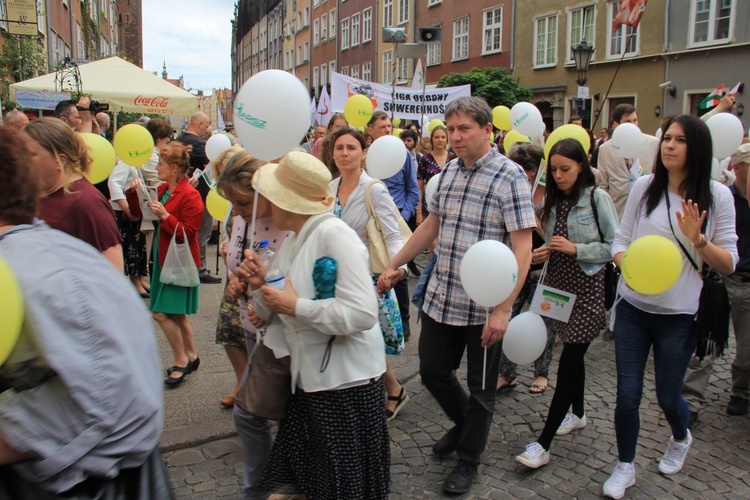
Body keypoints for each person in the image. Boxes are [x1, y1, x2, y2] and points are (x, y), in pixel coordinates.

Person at [378, 96, 536, 495]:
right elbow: (430, 226)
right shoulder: (446, 173)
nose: (456, 136)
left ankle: (468, 458)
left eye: (464, 128)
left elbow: (522, 248)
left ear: (488, 130)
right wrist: (396, 263)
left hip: (486, 304)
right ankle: (466, 427)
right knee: (432, 370)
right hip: (443, 294)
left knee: (482, 389)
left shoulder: (510, 176)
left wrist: (504, 309)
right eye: (451, 129)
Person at [0, 126, 167, 497]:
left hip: (83, 466)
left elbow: (110, 274)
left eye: (35, 152)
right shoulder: (42, 214)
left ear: (59, 156)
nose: (29, 163)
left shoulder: (85, 202)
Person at [237, 151, 390, 499]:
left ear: (285, 201)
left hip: (345, 386)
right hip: (314, 382)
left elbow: (363, 313)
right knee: (318, 482)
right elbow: (281, 297)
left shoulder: (334, 235)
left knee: (342, 487)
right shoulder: (295, 239)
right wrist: (262, 284)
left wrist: (297, 306)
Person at [602, 115, 738, 499]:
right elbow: (620, 240)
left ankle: (680, 436)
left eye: (679, 140)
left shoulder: (717, 197)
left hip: (679, 315)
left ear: (697, 147)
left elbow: (728, 262)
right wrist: (625, 263)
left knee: (667, 395)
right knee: (628, 394)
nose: (669, 145)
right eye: (666, 138)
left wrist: (698, 241)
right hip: (632, 307)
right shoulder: (645, 187)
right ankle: (624, 466)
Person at [514, 138, 618, 469]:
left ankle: (543, 444)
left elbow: (614, 246)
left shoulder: (597, 198)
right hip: (558, 287)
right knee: (574, 354)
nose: (558, 176)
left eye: (566, 169)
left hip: (587, 287)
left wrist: (577, 249)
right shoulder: (555, 200)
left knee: (570, 358)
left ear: (582, 167)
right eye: (554, 169)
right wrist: (548, 250)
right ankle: (580, 413)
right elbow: (553, 237)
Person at [217, 150, 290, 499]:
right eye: (232, 203)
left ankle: (260, 488)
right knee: (260, 412)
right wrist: (237, 282)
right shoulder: (243, 215)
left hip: (283, 334)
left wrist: (263, 291)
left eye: (243, 203)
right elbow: (240, 263)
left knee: (251, 413)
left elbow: (299, 279)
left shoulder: (289, 219)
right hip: (251, 327)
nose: (237, 211)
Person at [329, 128, 410, 420]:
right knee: (352, 340)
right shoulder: (329, 187)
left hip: (367, 278)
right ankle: (384, 391)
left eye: (352, 148)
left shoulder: (373, 188)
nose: (345, 153)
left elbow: (392, 235)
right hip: (334, 278)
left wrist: (396, 268)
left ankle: (392, 389)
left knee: (365, 340)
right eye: (339, 148)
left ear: (364, 153)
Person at [682, 142, 750, 421]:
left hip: (748, 282)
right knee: (704, 346)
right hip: (717, 280)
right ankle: (690, 401)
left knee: (746, 349)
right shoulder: (721, 197)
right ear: (741, 167)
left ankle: (741, 391)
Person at [141, 141, 204, 387]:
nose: (157, 168)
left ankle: (181, 360)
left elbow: (188, 232)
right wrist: (137, 195)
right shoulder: (163, 190)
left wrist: (165, 216)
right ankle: (191, 355)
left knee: (159, 313)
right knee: (176, 314)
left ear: (175, 168)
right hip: (164, 257)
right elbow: (146, 214)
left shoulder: (191, 195)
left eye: (161, 164)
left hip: (178, 261)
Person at [23, 117, 123, 270]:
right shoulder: (33, 193)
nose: (22, 161)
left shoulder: (87, 203)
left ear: (60, 160)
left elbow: (113, 273)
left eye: (30, 155)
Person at [496, 143, 556, 395]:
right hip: (516, 264)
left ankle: (541, 373)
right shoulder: (508, 189)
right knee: (507, 316)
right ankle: (506, 373)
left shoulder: (552, 194)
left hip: (546, 268)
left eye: (524, 169)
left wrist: (536, 220)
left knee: (545, 321)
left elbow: (555, 234)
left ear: (533, 171)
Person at [367, 111, 420, 340]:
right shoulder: (365, 155)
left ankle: (405, 322)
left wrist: (405, 215)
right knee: (377, 268)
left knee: (399, 271)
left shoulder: (402, 154)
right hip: (372, 222)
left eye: (389, 126)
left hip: (396, 220)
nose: (388, 130)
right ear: (370, 130)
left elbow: (413, 188)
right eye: (382, 127)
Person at [212, 145, 257, 409]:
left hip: (250, 281)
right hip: (235, 279)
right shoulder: (234, 203)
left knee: (245, 333)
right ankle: (243, 382)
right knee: (230, 332)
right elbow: (232, 234)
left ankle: (249, 387)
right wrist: (226, 246)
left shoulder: (250, 200)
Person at [178, 111, 222, 284]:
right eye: (206, 125)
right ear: (198, 124)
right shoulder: (198, 143)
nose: (207, 128)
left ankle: (191, 266)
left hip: (185, 193)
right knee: (201, 234)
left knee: (189, 232)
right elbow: (213, 166)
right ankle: (200, 268)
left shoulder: (180, 140)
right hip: (201, 195)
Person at [597, 103, 660, 219]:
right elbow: (603, 184)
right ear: (616, 124)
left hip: (645, 208)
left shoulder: (653, 143)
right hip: (618, 211)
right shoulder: (605, 149)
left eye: (635, 120)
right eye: (628, 121)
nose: (633, 125)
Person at [108, 158, 150, 298]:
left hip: (134, 209)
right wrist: (127, 209)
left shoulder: (133, 162)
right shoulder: (125, 162)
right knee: (131, 246)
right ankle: (134, 281)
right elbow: (114, 183)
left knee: (138, 245)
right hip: (125, 212)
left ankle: (139, 279)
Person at [416, 124, 455, 226]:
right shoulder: (425, 159)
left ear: (447, 139)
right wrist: (419, 212)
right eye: (437, 137)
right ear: (432, 139)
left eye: (443, 137)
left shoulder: (453, 158)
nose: (440, 140)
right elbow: (419, 187)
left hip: (450, 205)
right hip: (429, 204)